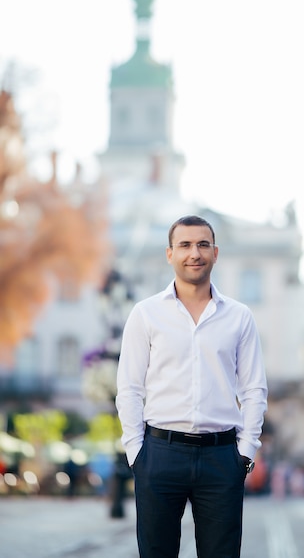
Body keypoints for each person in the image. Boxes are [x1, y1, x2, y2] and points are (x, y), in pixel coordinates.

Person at [116, 215, 268, 558]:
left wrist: (245, 452)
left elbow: (254, 389)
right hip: (159, 453)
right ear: (170, 254)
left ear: (215, 253)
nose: (194, 253)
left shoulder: (239, 316)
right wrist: (136, 452)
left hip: (221, 457)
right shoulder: (146, 314)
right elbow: (129, 388)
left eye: (202, 244)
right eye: (184, 245)